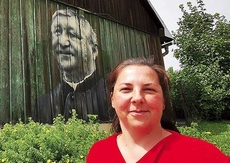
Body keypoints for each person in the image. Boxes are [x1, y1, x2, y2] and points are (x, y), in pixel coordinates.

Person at [86, 57, 230, 163]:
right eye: (126, 89)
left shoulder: (202, 155)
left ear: (163, 101)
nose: (137, 98)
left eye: (148, 89)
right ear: (113, 99)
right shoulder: (98, 152)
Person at [35, 9, 110, 124]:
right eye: (57, 32)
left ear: (94, 50)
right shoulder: (42, 104)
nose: (62, 42)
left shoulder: (112, 95)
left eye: (72, 34)